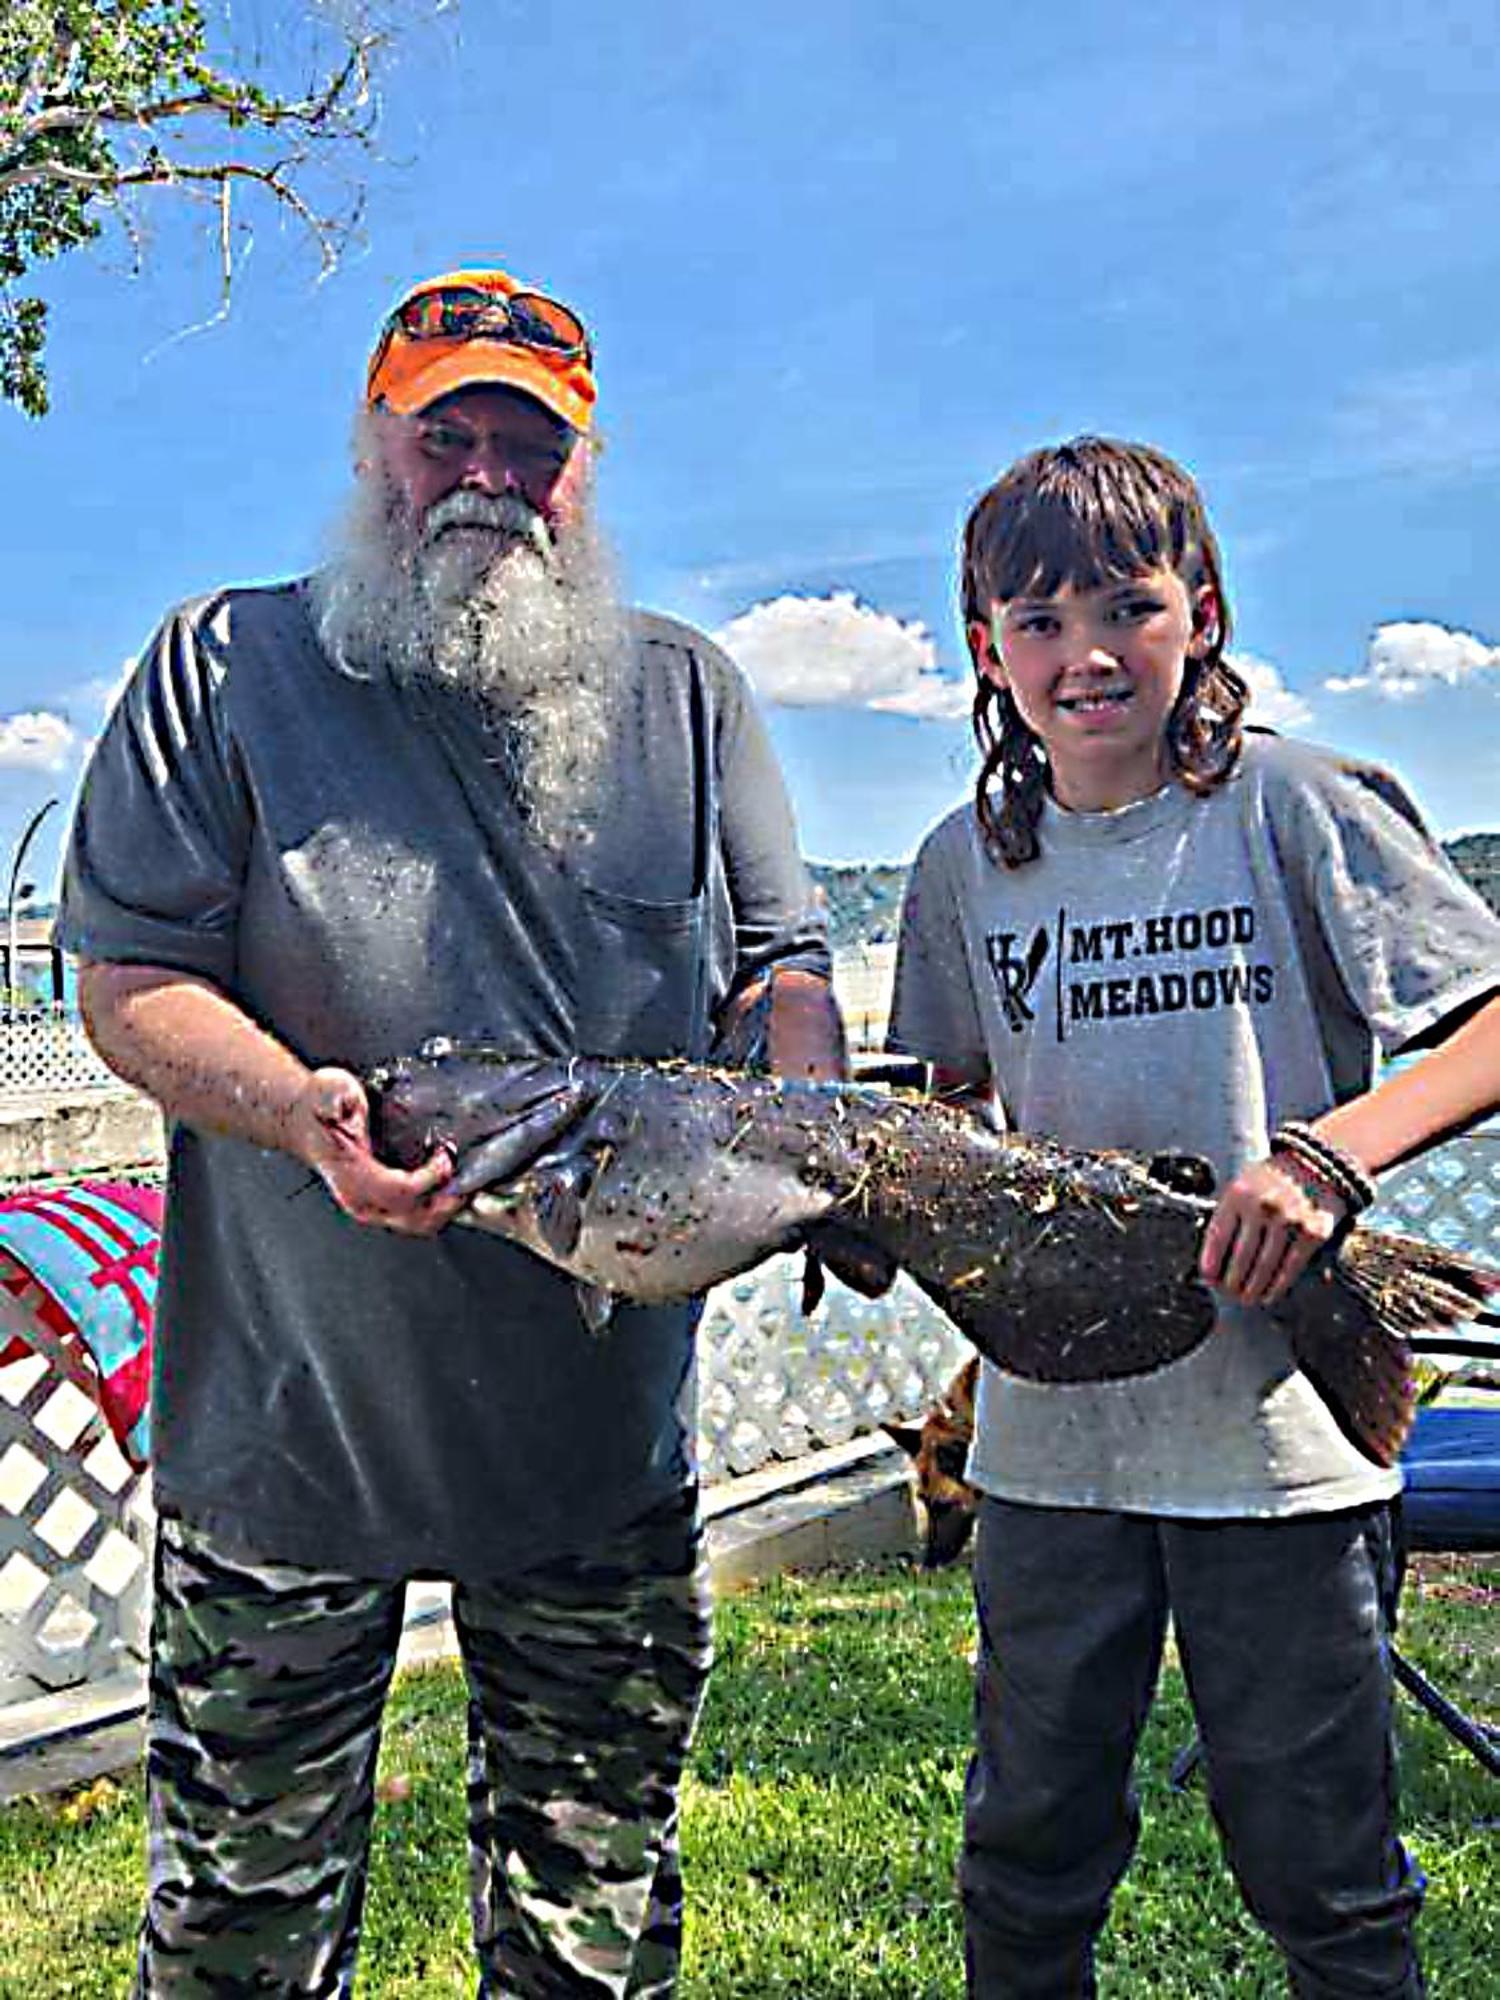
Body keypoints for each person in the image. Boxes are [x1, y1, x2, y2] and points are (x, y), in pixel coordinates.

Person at [58, 264, 845, 1997]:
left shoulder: (689, 693)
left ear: (587, 468)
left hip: (596, 1450)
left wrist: (802, 1121)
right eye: (447, 431)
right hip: (283, 1437)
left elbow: (783, 973)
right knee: (236, 1950)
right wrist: (298, 1109)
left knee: (592, 1942)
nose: (488, 471)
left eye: (532, 441)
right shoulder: (226, 661)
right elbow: (129, 984)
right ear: (374, 449)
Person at [887, 436, 1500, 1998]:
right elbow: (948, 1114)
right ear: (984, 653)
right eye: (1037, 621)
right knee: (1025, 1855)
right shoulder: (959, 868)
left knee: (1328, 1873)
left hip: (1283, 1446)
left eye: (1126, 608)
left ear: (1202, 615)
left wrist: (1326, 1163)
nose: (1084, 655)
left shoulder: (1298, 803)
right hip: (1049, 1451)